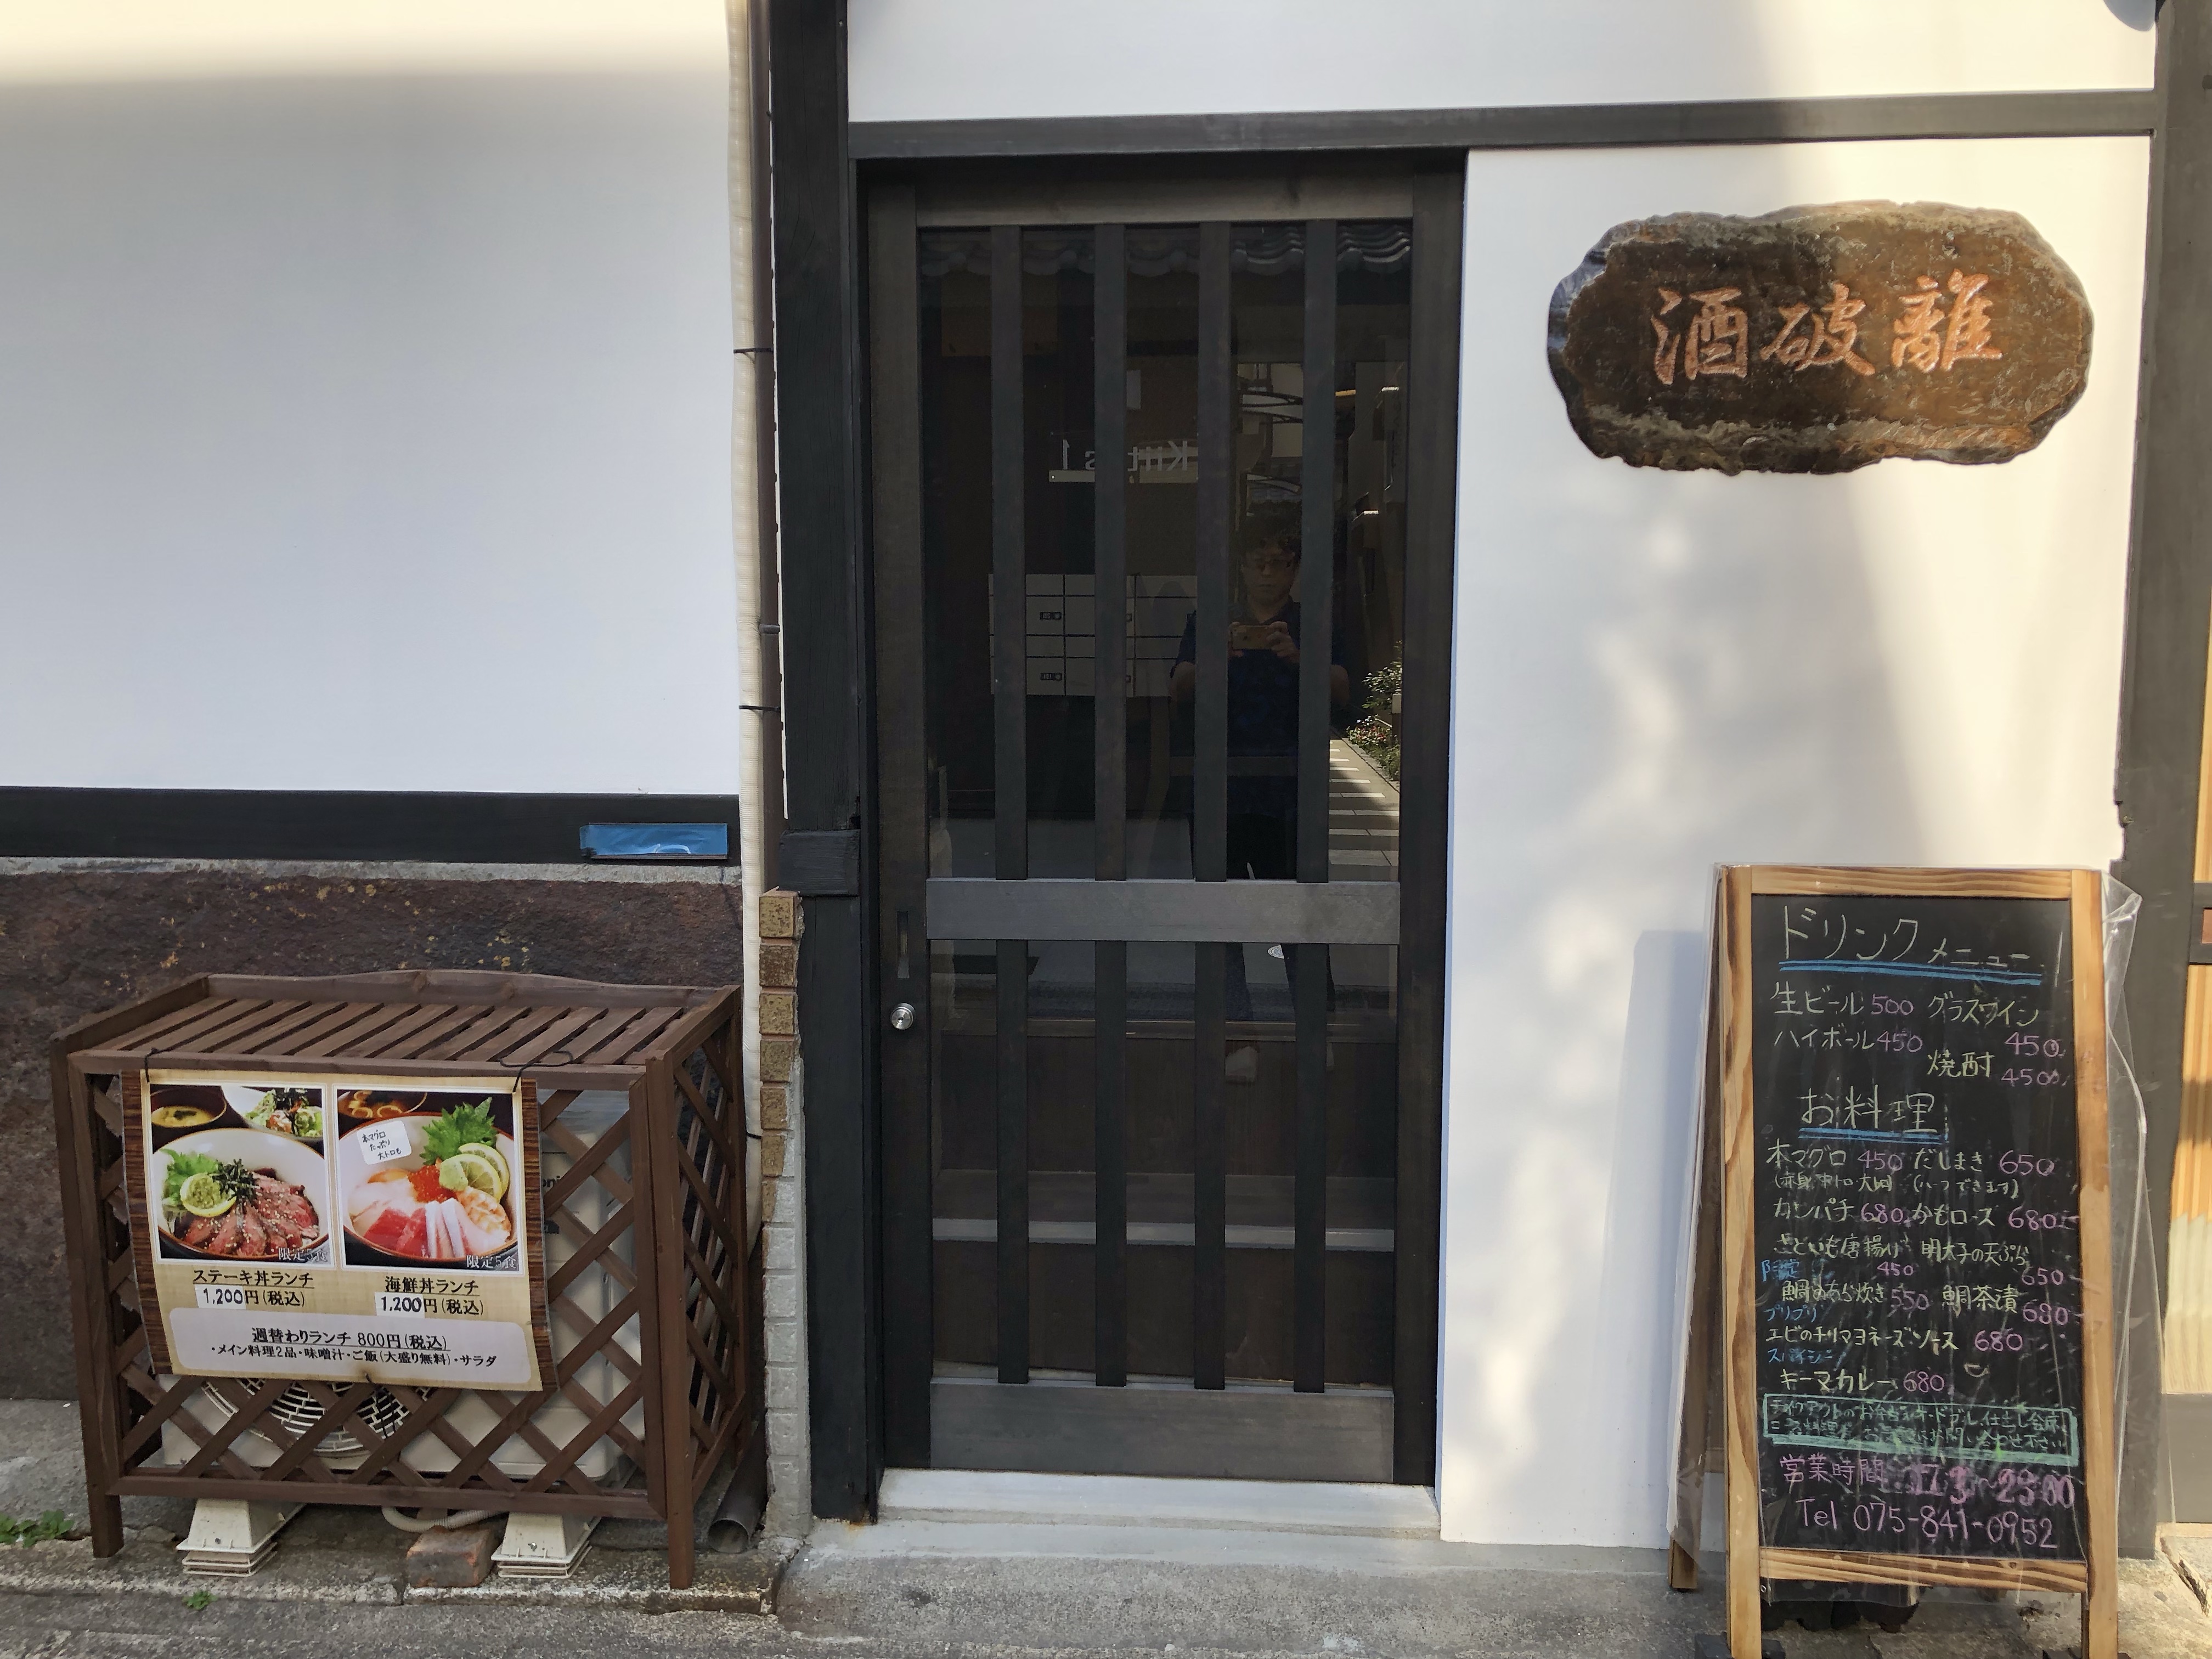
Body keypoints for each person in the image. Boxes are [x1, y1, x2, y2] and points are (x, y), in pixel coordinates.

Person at [1171, 507, 1348, 1076]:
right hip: (1219, 787)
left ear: (1295, 567)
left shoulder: (1312, 622)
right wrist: (1216, 656)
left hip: (1290, 790)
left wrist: (1301, 658)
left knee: (1302, 915)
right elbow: (1178, 686)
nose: (1269, 572)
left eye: (1280, 561)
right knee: (1222, 920)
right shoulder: (1211, 621)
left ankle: (1316, 1033)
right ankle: (1237, 1040)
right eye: (1258, 561)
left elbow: (1345, 689)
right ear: (1242, 566)